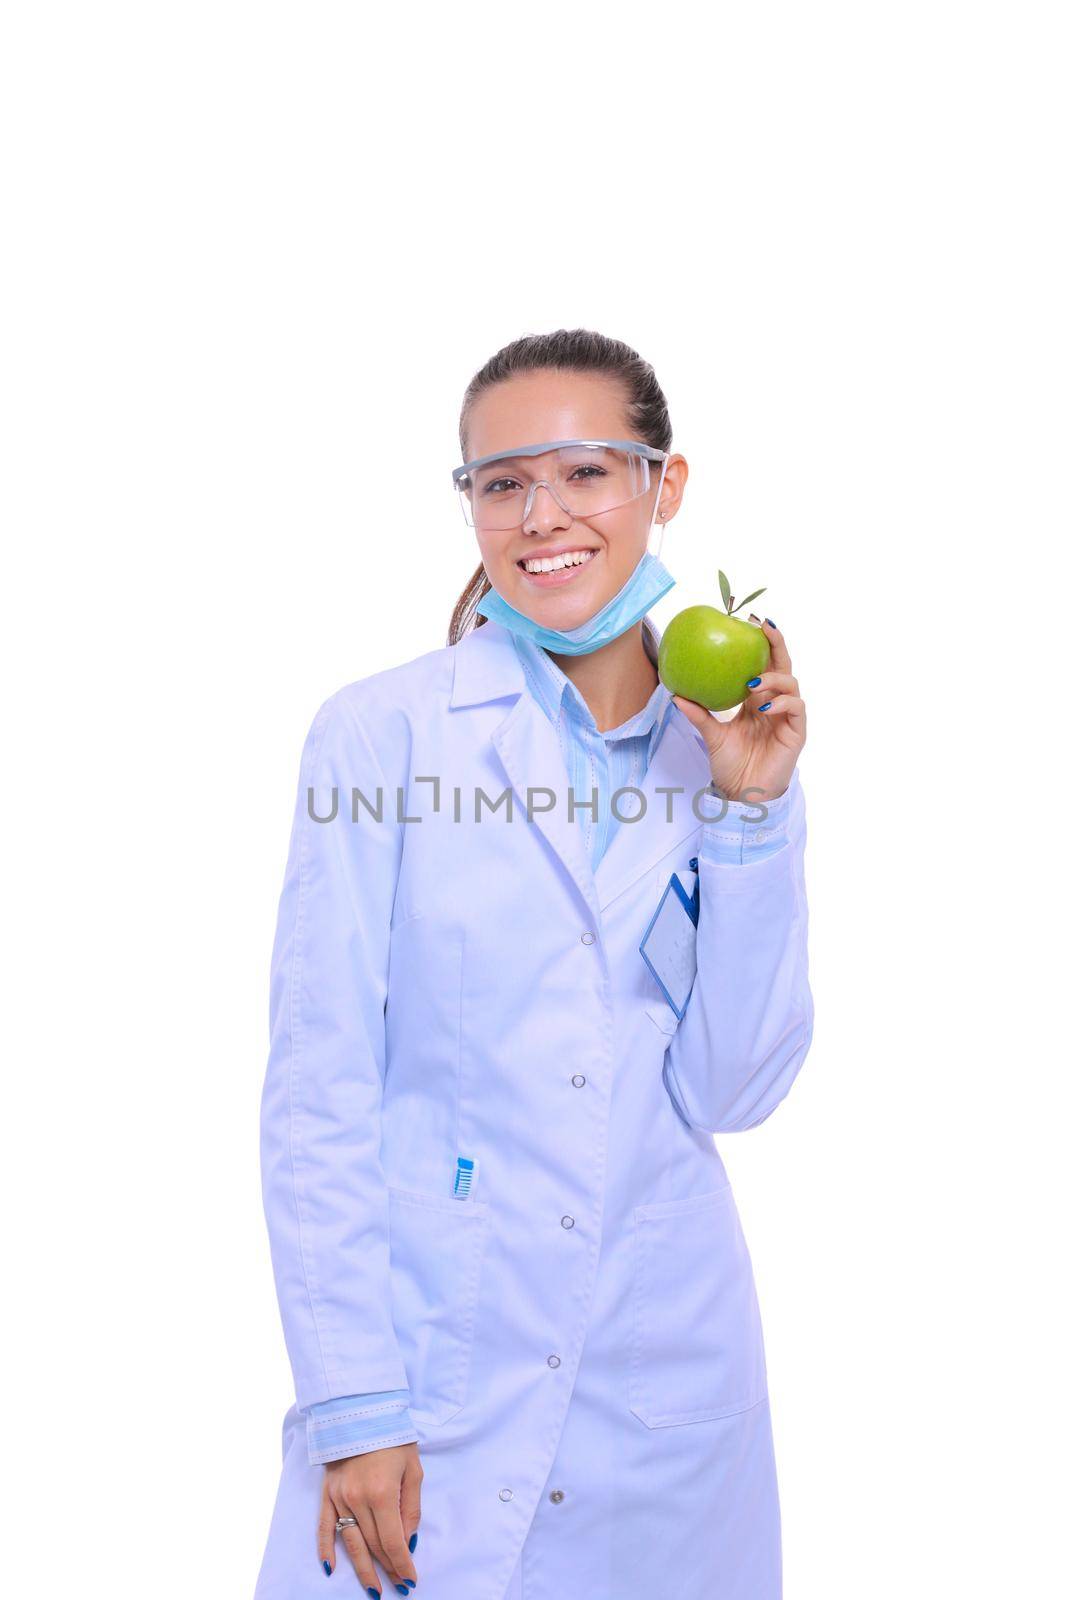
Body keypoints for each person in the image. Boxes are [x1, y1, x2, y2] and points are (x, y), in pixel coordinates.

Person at [254, 328, 814, 1600]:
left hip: (658, 1381)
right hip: (431, 1371)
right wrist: (352, 1400)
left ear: (663, 488)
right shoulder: (381, 734)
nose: (541, 516)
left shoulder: (725, 754)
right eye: (500, 482)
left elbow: (735, 1090)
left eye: (584, 473)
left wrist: (749, 816)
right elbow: (318, 1085)